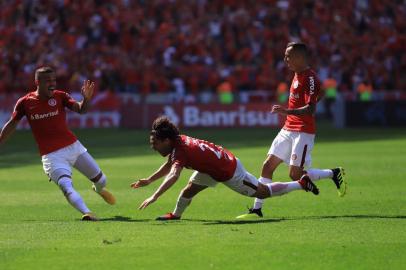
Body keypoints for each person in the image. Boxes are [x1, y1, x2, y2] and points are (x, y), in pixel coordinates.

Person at [130, 116, 320, 220]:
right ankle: (176, 215)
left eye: (155, 143)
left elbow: (173, 175)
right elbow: (170, 163)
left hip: (228, 170)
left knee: (262, 192)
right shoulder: (178, 143)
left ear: (166, 140)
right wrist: (149, 180)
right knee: (189, 189)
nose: (153, 147)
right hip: (211, 167)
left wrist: (154, 195)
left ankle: (301, 183)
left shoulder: (180, 150)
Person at [236, 42, 347, 219]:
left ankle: (334, 173)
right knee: (267, 166)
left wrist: (285, 111)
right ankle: (257, 209)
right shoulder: (297, 74)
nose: (285, 59)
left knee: (295, 174)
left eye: (289, 56)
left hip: (303, 131)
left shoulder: (309, 78)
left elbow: (310, 109)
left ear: (300, 57)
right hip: (288, 128)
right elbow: (322, 91)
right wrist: (289, 114)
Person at [0, 66, 115, 221]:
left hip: (73, 147)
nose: (52, 84)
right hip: (51, 155)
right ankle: (87, 213)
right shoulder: (25, 103)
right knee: (66, 186)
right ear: (37, 82)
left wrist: (86, 99)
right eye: (48, 81)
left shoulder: (60, 96)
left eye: (54, 80)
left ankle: (99, 189)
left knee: (102, 181)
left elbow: (81, 110)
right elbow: (12, 123)